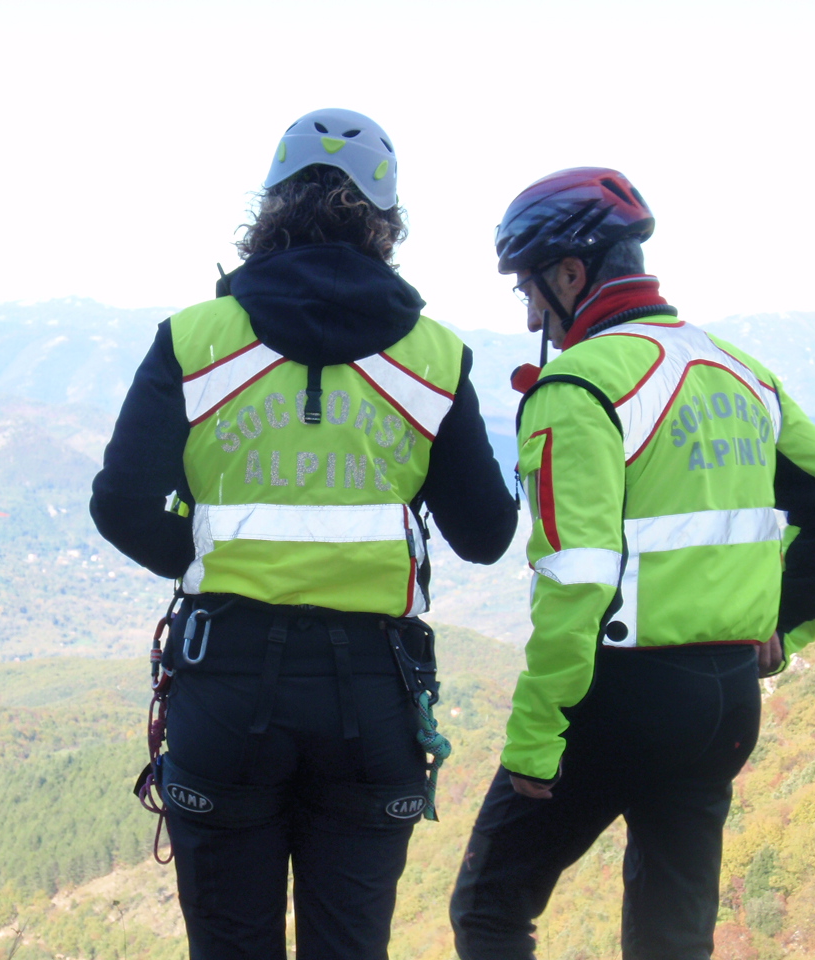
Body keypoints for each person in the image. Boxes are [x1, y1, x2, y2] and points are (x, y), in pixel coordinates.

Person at [91, 108, 517, 960]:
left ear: (271, 205)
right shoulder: (436, 359)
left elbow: (120, 505)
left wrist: (204, 555)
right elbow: (484, 534)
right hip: (373, 688)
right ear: (387, 222)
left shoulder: (194, 340)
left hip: (226, 678)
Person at [448, 167, 815, 959]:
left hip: (622, 697)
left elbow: (575, 578)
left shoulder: (580, 386)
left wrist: (537, 738)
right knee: (673, 939)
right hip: (723, 703)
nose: (531, 308)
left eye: (530, 289)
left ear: (571, 274)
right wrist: (784, 625)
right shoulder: (737, 371)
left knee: (489, 907)